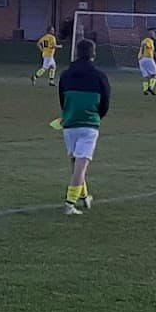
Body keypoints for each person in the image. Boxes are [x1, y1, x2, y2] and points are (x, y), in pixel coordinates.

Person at [57, 39, 111, 216]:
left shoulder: (66, 74)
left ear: (76, 54)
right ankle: (70, 203)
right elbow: (105, 103)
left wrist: (68, 114)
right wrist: (97, 116)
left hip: (70, 123)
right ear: (93, 54)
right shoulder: (100, 76)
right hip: (89, 124)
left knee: (76, 163)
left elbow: (62, 99)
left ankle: (84, 196)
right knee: (81, 165)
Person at [139, 28, 156, 96]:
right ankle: (150, 87)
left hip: (141, 60)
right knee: (155, 74)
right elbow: (145, 46)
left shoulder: (144, 40)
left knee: (146, 75)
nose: (155, 35)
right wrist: (143, 53)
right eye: (154, 34)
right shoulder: (149, 40)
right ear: (152, 35)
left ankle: (145, 90)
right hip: (147, 58)